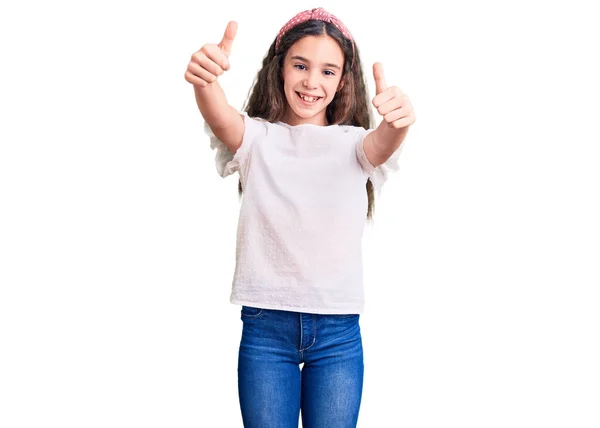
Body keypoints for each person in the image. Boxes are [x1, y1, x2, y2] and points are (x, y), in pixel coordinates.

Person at [184, 7, 415, 428]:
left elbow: (385, 141)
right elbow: (218, 114)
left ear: (343, 80)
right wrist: (206, 82)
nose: (312, 81)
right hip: (265, 329)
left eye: (329, 71)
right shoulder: (256, 138)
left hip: (337, 335)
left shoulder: (355, 146)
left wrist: (398, 121)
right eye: (301, 65)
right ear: (281, 68)